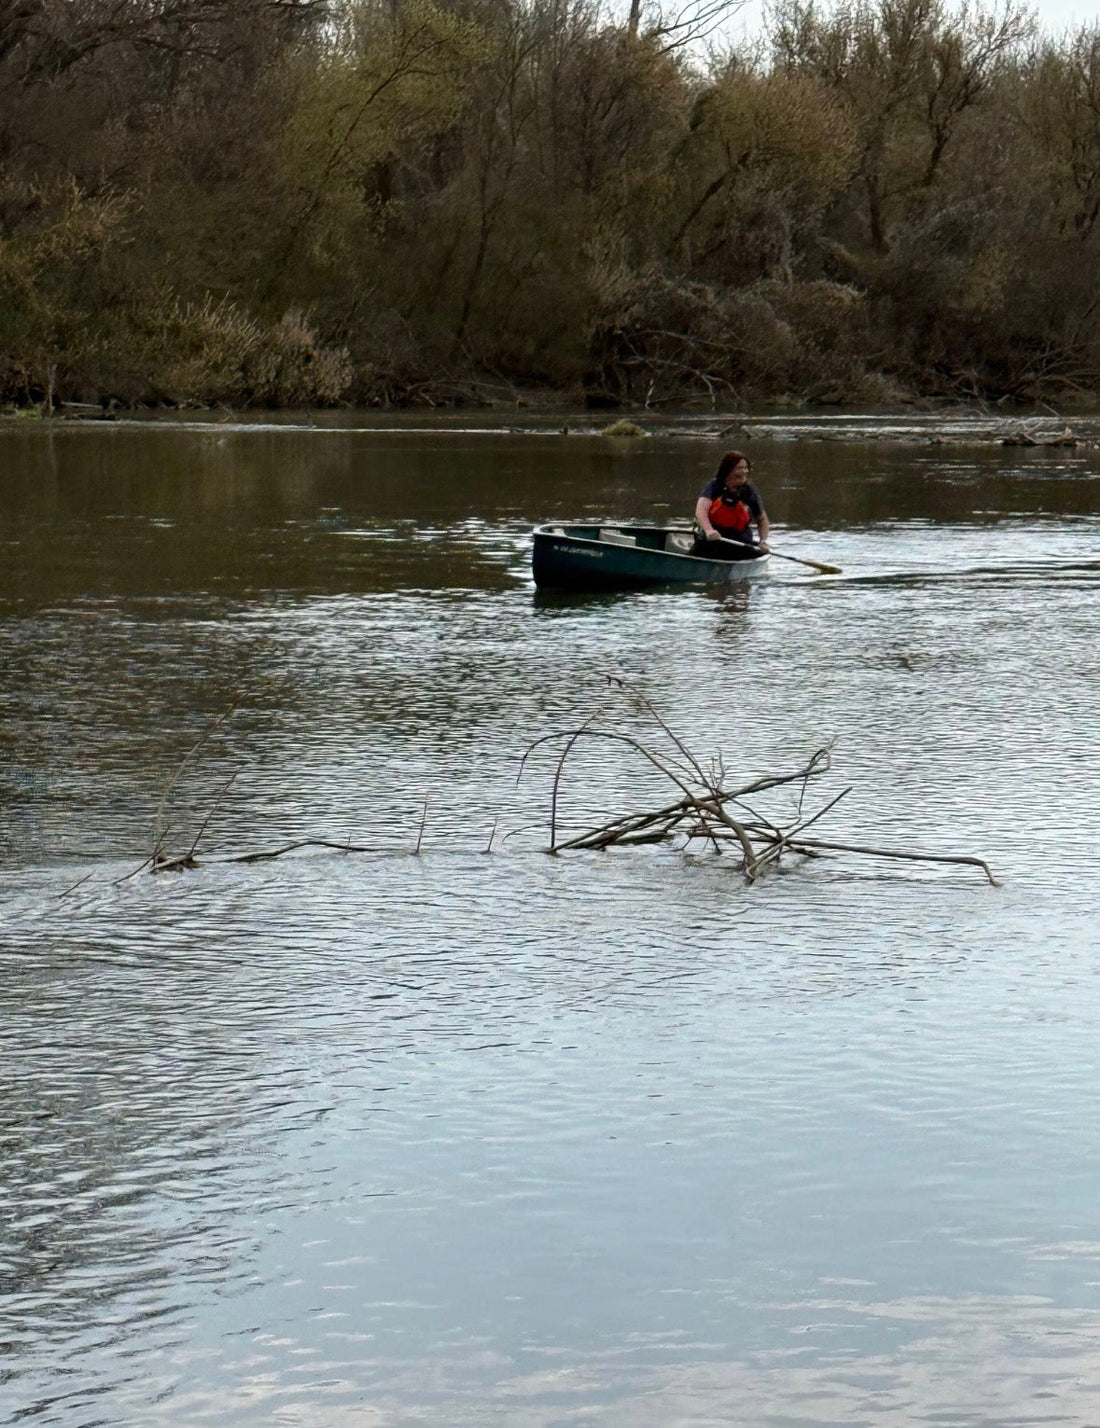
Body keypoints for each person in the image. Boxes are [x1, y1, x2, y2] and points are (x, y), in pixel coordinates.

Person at [693, 450, 770, 558]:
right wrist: (709, 530)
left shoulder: (749, 491)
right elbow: (701, 511)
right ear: (728, 470)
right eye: (739, 468)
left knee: (755, 552)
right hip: (713, 540)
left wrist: (763, 541)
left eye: (746, 468)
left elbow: (762, 519)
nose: (744, 472)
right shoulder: (714, 486)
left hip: (740, 542)